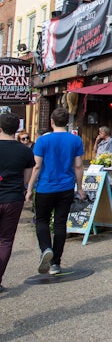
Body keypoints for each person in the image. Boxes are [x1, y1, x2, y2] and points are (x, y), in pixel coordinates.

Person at [25, 107, 86, 275]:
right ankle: (55, 263)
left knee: (42, 220)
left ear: (51, 121)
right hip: (66, 187)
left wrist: (29, 188)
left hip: (45, 187)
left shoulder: (42, 141)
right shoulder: (75, 140)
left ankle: (46, 248)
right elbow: (78, 166)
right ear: (67, 122)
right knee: (60, 223)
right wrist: (80, 187)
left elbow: (37, 167)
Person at [0, 112, 35, 292]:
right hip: (13, 198)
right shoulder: (25, 151)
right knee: (5, 240)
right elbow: (26, 179)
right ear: (17, 130)